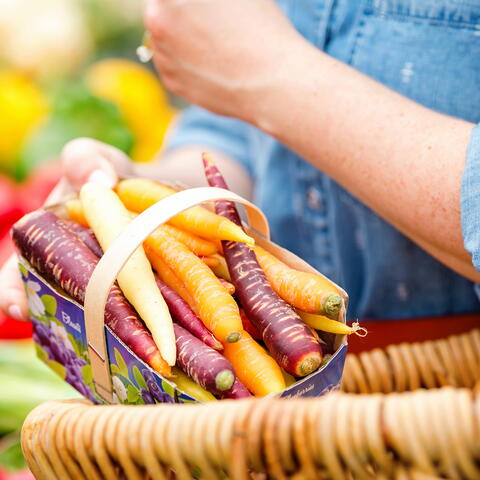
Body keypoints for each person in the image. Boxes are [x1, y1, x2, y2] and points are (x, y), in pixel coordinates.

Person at [2, 0, 480, 330]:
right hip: (281, 410)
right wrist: (140, 203)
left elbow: (257, 79)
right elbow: (239, 133)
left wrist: (269, 76)